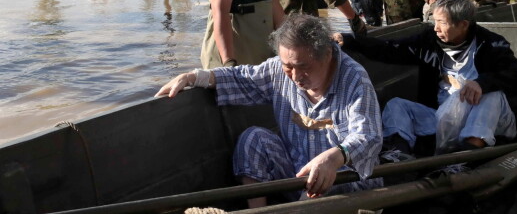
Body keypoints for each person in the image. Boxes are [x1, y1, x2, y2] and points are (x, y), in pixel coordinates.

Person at [157, 13, 383, 207]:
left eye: (303, 67)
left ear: (327, 55)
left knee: (329, 183)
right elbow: (242, 78)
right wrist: (194, 77)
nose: (294, 77)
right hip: (295, 174)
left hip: (345, 181)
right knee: (253, 138)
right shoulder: (278, 70)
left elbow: (368, 136)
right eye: (288, 67)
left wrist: (335, 158)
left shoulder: (355, 80)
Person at [338, 0, 517, 155]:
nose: (436, 28)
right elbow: (391, 48)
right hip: (443, 117)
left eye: (442, 23)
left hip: (486, 121)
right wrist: (350, 41)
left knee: (492, 95)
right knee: (397, 105)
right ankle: (398, 153)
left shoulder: (491, 44)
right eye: (434, 21)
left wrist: (482, 83)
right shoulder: (429, 40)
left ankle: (468, 155)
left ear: (463, 24)